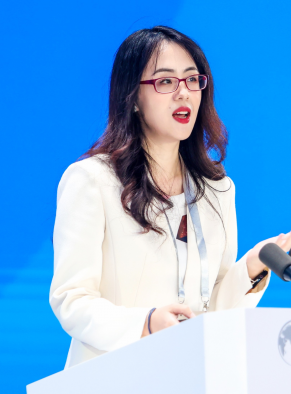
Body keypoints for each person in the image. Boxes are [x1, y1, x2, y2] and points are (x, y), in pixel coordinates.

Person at [50, 26, 290, 369]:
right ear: (132, 97)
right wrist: (146, 323)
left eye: (193, 80)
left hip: (189, 375)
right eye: (166, 82)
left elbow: (212, 312)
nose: (184, 94)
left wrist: (251, 268)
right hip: (111, 376)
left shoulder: (218, 189)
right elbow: (71, 300)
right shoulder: (92, 180)